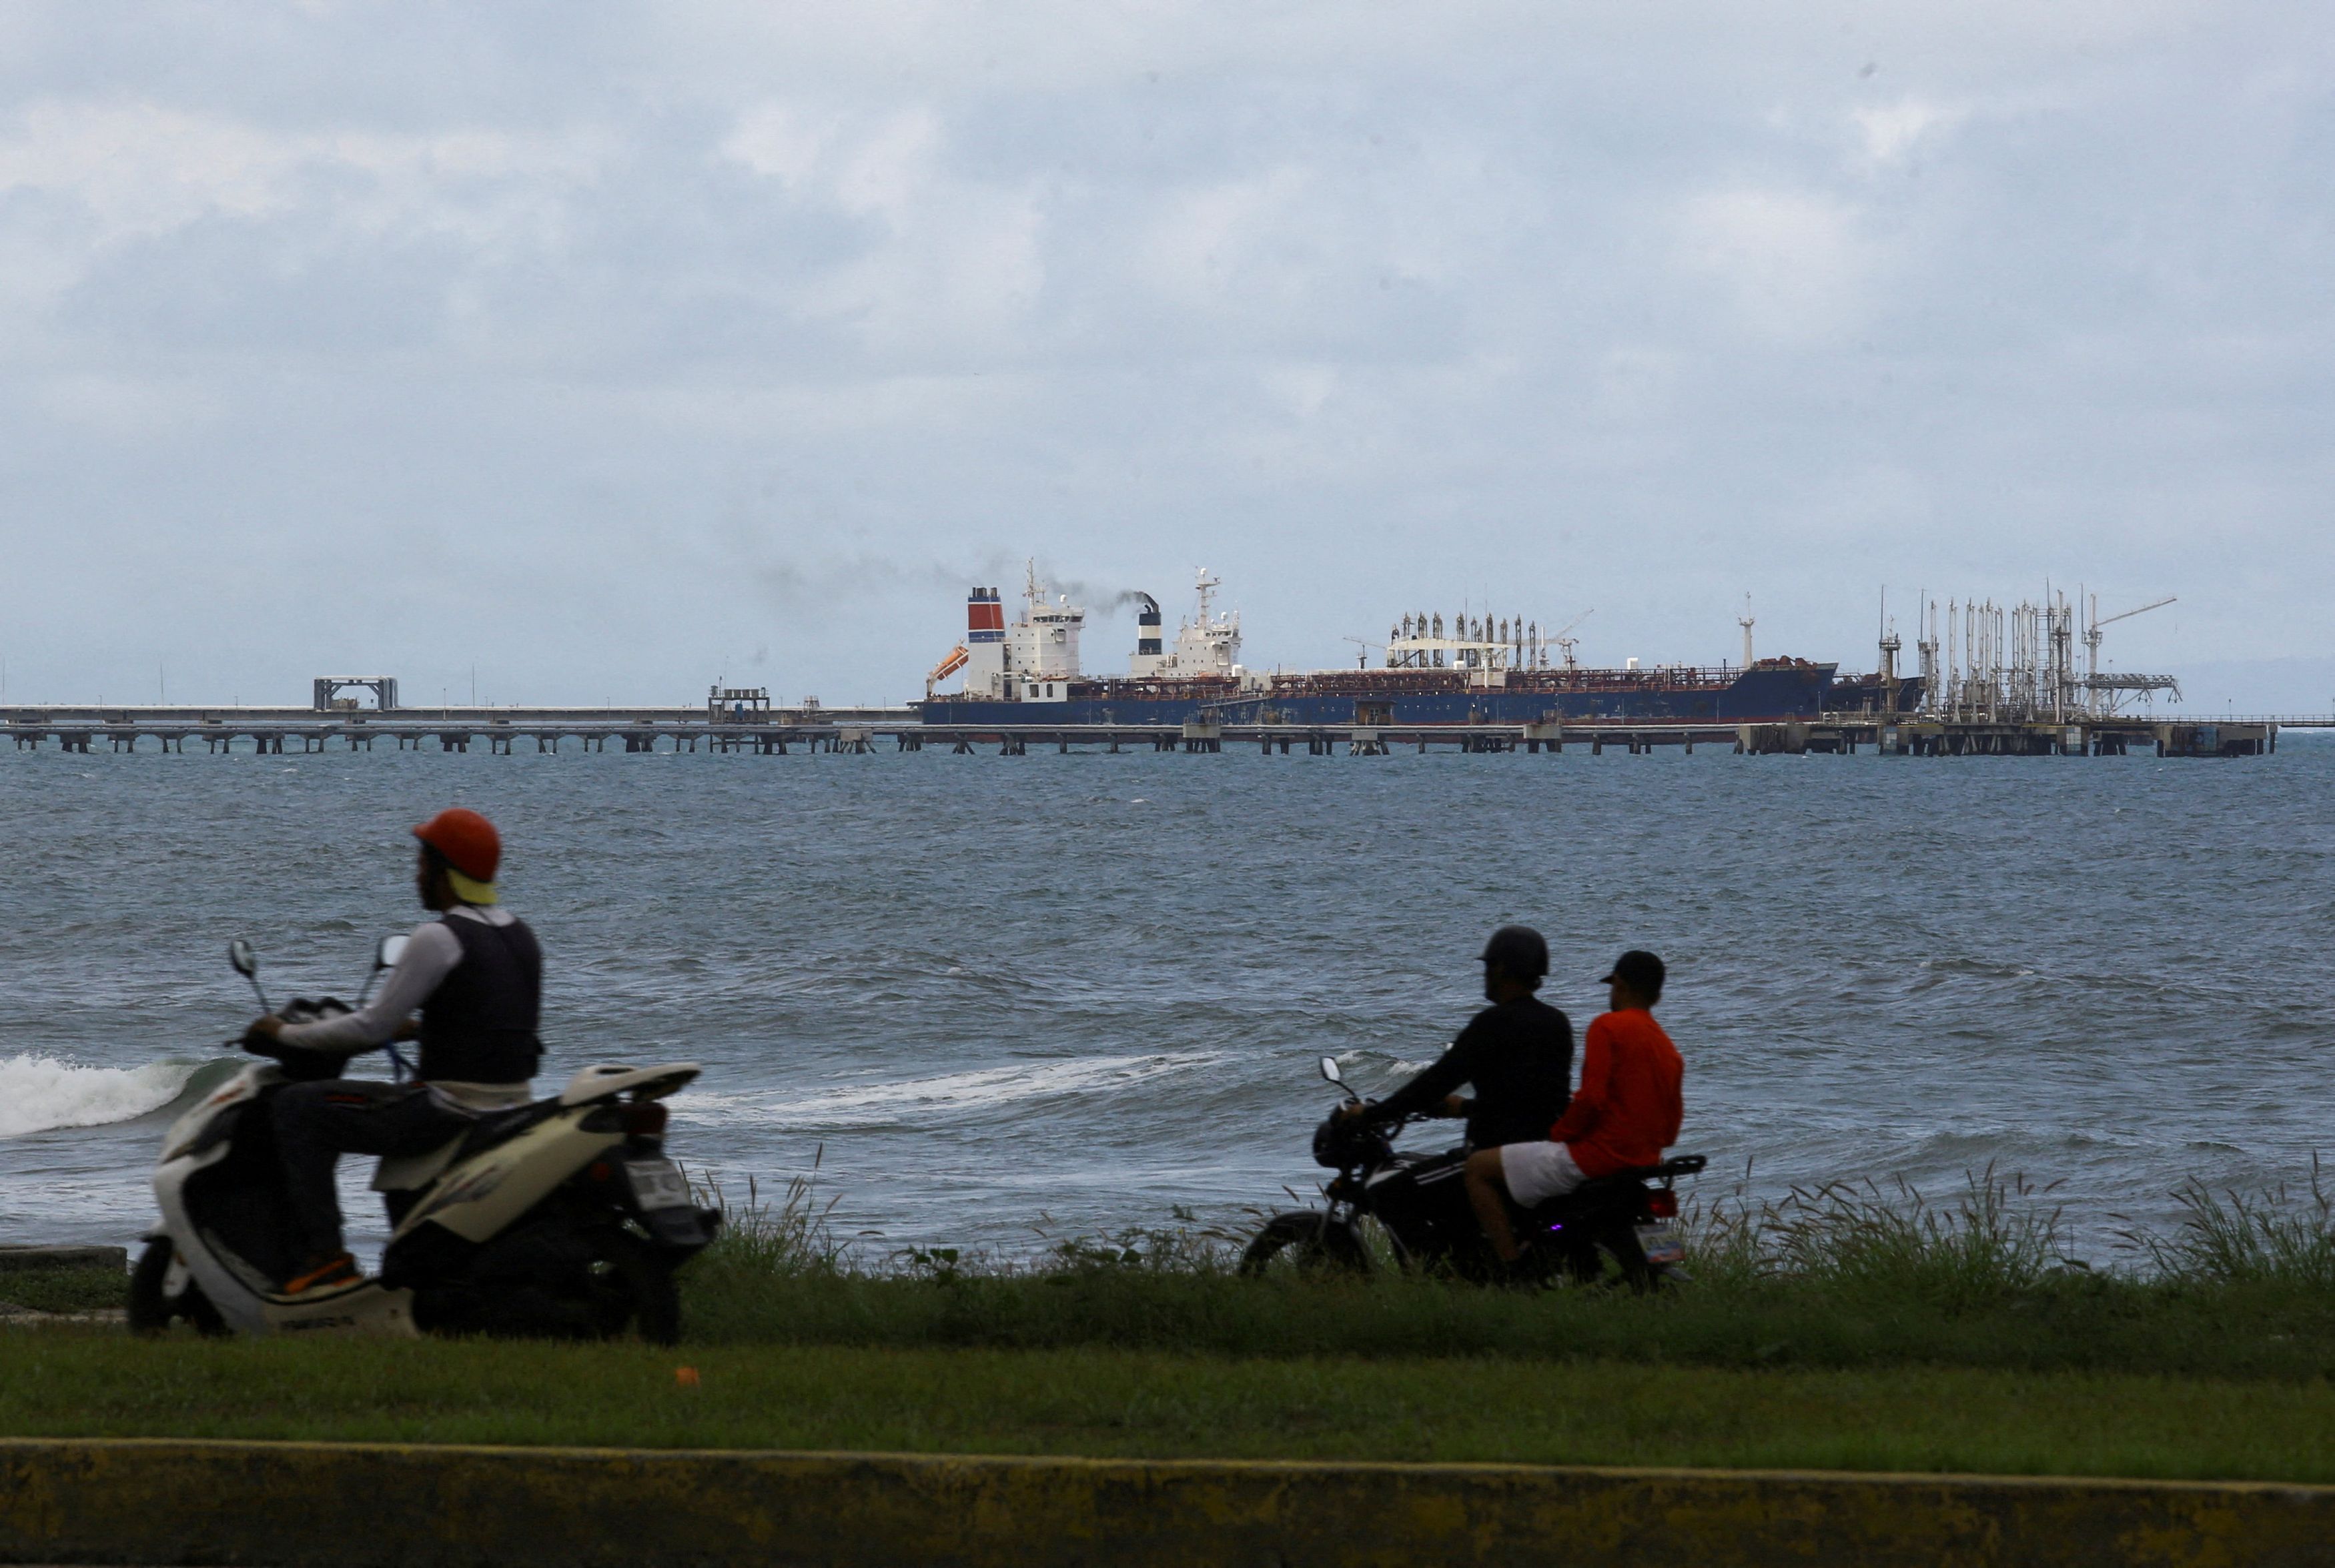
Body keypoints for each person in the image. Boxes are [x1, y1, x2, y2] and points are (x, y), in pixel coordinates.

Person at [242, 807, 543, 1295]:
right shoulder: (519, 934)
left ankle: (326, 1256)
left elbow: (367, 1026)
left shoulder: (438, 937)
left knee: (297, 1106)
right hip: (513, 1103)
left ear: (446, 872)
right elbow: (491, 1019)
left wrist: (282, 1033)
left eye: (422, 863)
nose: (416, 874)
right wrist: (422, 1030)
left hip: (449, 1106)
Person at [1463, 949, 1683, 1267]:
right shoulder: (1669, 1049)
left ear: (1618, 983)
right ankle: (1657, 1263)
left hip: (1595, 1160)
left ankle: (1511, 1270)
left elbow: (1591, 1099)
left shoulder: (1607, 1027)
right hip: (1643, 1163)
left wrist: (1559, 1133)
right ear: (1658, 994)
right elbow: (1671, 1128)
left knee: (1477, 1169)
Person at [1335, 925, 1574, 1155]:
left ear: (1500, 968)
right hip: (1547, 1150)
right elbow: (1532, 1101)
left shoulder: (1492, 1022)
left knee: (1402, 1185)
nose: (1485, 975)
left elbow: (1436, 1083)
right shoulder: (1557, 1022)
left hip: (1494, 1150)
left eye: (1488, 966)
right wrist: (1464, 1108)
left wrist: (1373, 1114)